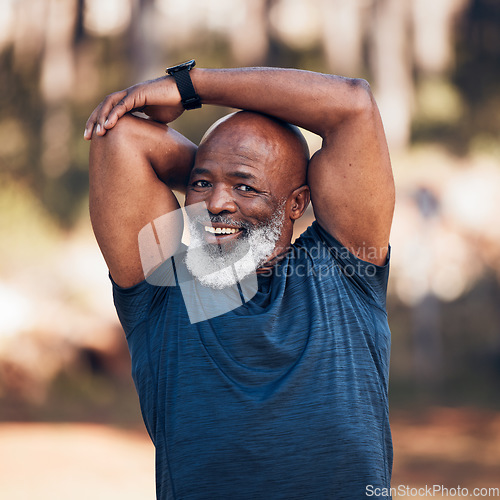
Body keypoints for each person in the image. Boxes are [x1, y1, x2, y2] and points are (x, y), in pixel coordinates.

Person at [85, 62, 395, 499]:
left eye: (245, 186)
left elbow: (352, 105)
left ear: (297, 203)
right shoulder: (164, 283)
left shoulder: (345, 269)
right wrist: (228, 176)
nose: (215, 203)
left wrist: (188, 86)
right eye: (201, 184)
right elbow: (118, 134)